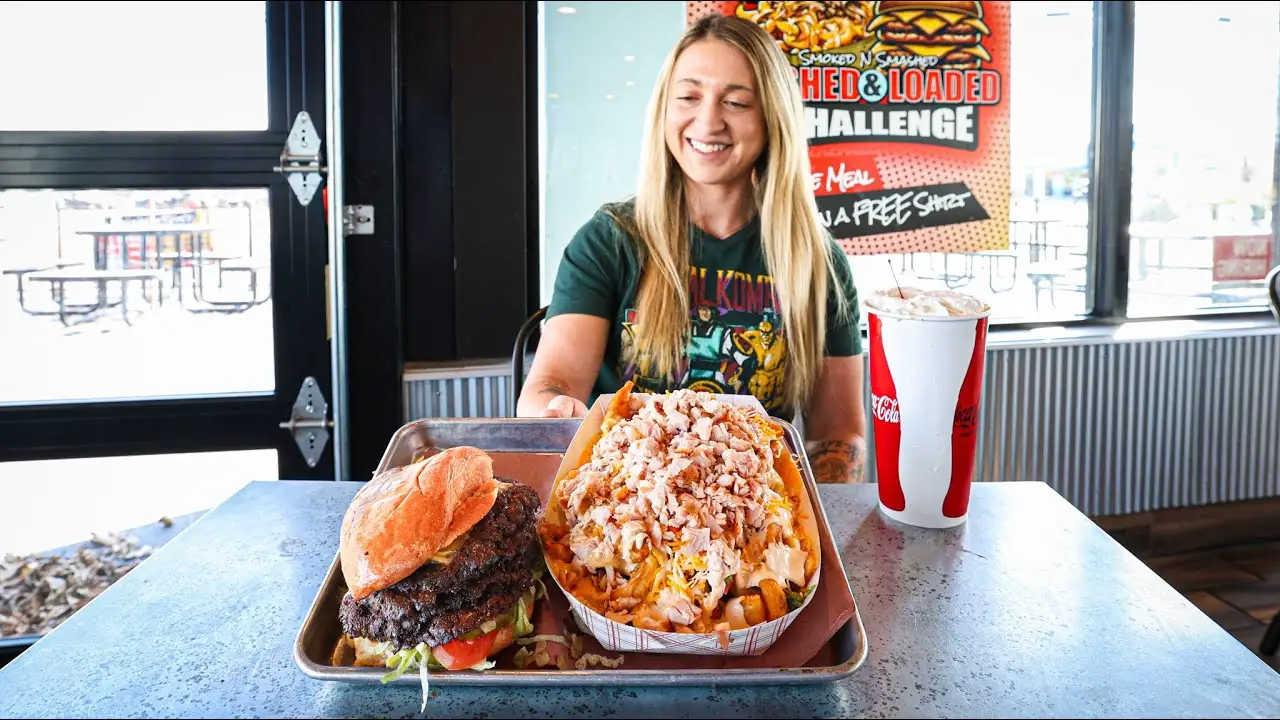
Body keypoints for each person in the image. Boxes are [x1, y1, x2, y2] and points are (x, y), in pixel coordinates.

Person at [516, 14, 867, 484]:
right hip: (621, 509)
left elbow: (836, 435)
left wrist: (821, 530)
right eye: (688, 96)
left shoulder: (819, 263)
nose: (708, 120)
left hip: (755, 517)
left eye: (737, 101)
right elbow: (551, 383)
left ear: (772, 118)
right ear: (664, 107)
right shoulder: (609, 240)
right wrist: (551, 408)